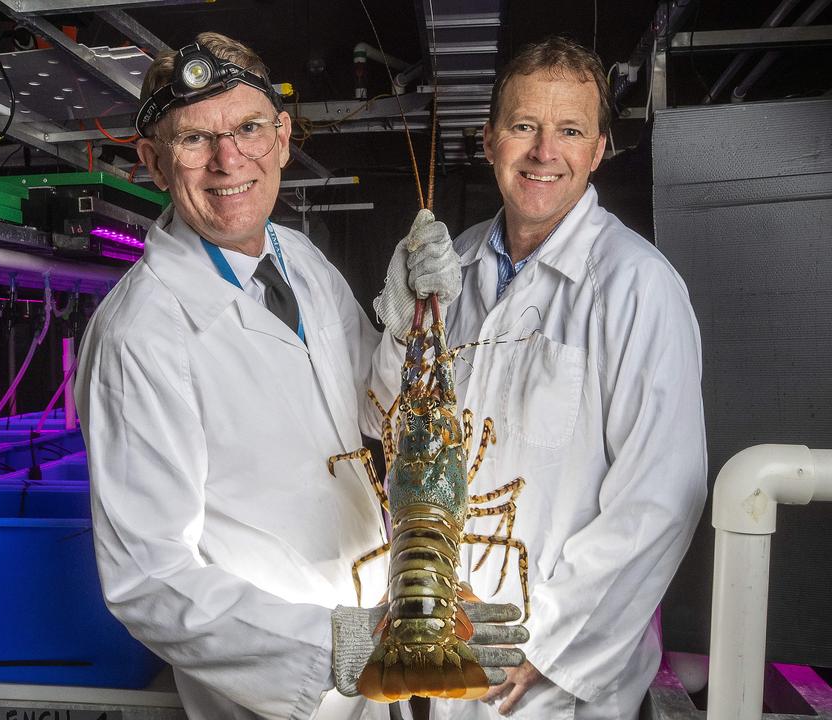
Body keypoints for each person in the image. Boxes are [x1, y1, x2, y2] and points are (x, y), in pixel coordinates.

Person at [74, 32, 521, 720]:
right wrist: (339, 645)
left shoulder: (299, 257)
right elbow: (148, 578)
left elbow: (371, 417)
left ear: (281, 138)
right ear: (153, 163)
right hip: (286, 692)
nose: (228, 160)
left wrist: (401, 327)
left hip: (384, 642)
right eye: (194, 140)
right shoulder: (140, 333)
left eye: (249, 128)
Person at [418, 36, 709, 720]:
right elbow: (399, 426)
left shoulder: (638, 287)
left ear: (598, 148)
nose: (545, 152)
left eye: (569, 131)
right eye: (524, 127)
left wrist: (541, 641)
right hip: (448, 642)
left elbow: (661, 496)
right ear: (489, 141)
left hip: (557, 677)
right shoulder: (451, 268)